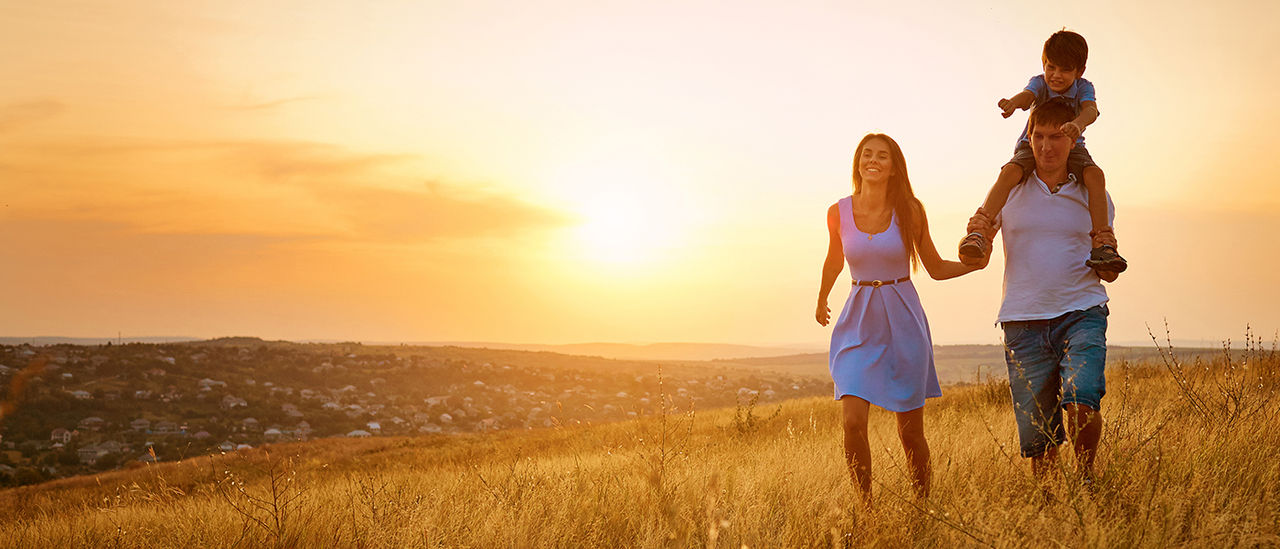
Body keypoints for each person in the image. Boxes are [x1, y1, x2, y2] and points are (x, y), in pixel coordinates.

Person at [815, 133, 982, 503]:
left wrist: (974, 266)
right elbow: (834, 260)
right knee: (853, 421)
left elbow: (934, 267)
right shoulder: (837, 211)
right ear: (858, 162)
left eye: (882, 156)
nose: (873, 161)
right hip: (857, 322)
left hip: (903, 321)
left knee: (910, 433)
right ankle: (867, 507)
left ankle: (921, 507)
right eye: (866, 154)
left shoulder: (911, 209)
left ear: (894, 168)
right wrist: (822, 297)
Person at [963, 99, 1122, 483]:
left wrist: (1107, 263)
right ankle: (1049, 511)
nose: (1047, 146)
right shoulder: (1011, 189)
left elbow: (1109, 270)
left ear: (1073, 140)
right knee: (1040, 436)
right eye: (1039, 136)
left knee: (1081, 400)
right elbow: (976, 253)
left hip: (1081, 310)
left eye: (1056, 136)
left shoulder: (1091, 191)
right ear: (1028, 138)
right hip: (1022, 320)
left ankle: (1086, 481)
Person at [958, 30, 1127, 273]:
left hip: (1073, 144)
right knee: (1009, 174)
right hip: (1030, 145)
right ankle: (980, 231)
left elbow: (1091, 110)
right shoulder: (1039, 82)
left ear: (1079, 71)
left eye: (1065, 70)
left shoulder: (1083, 88)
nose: (1056, 75)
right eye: (1051, 67)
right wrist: (1013, 104)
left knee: (1095, 176)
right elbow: (1028, 96)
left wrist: (1077, 125)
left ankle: (1103, 242)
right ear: (1043, 64)